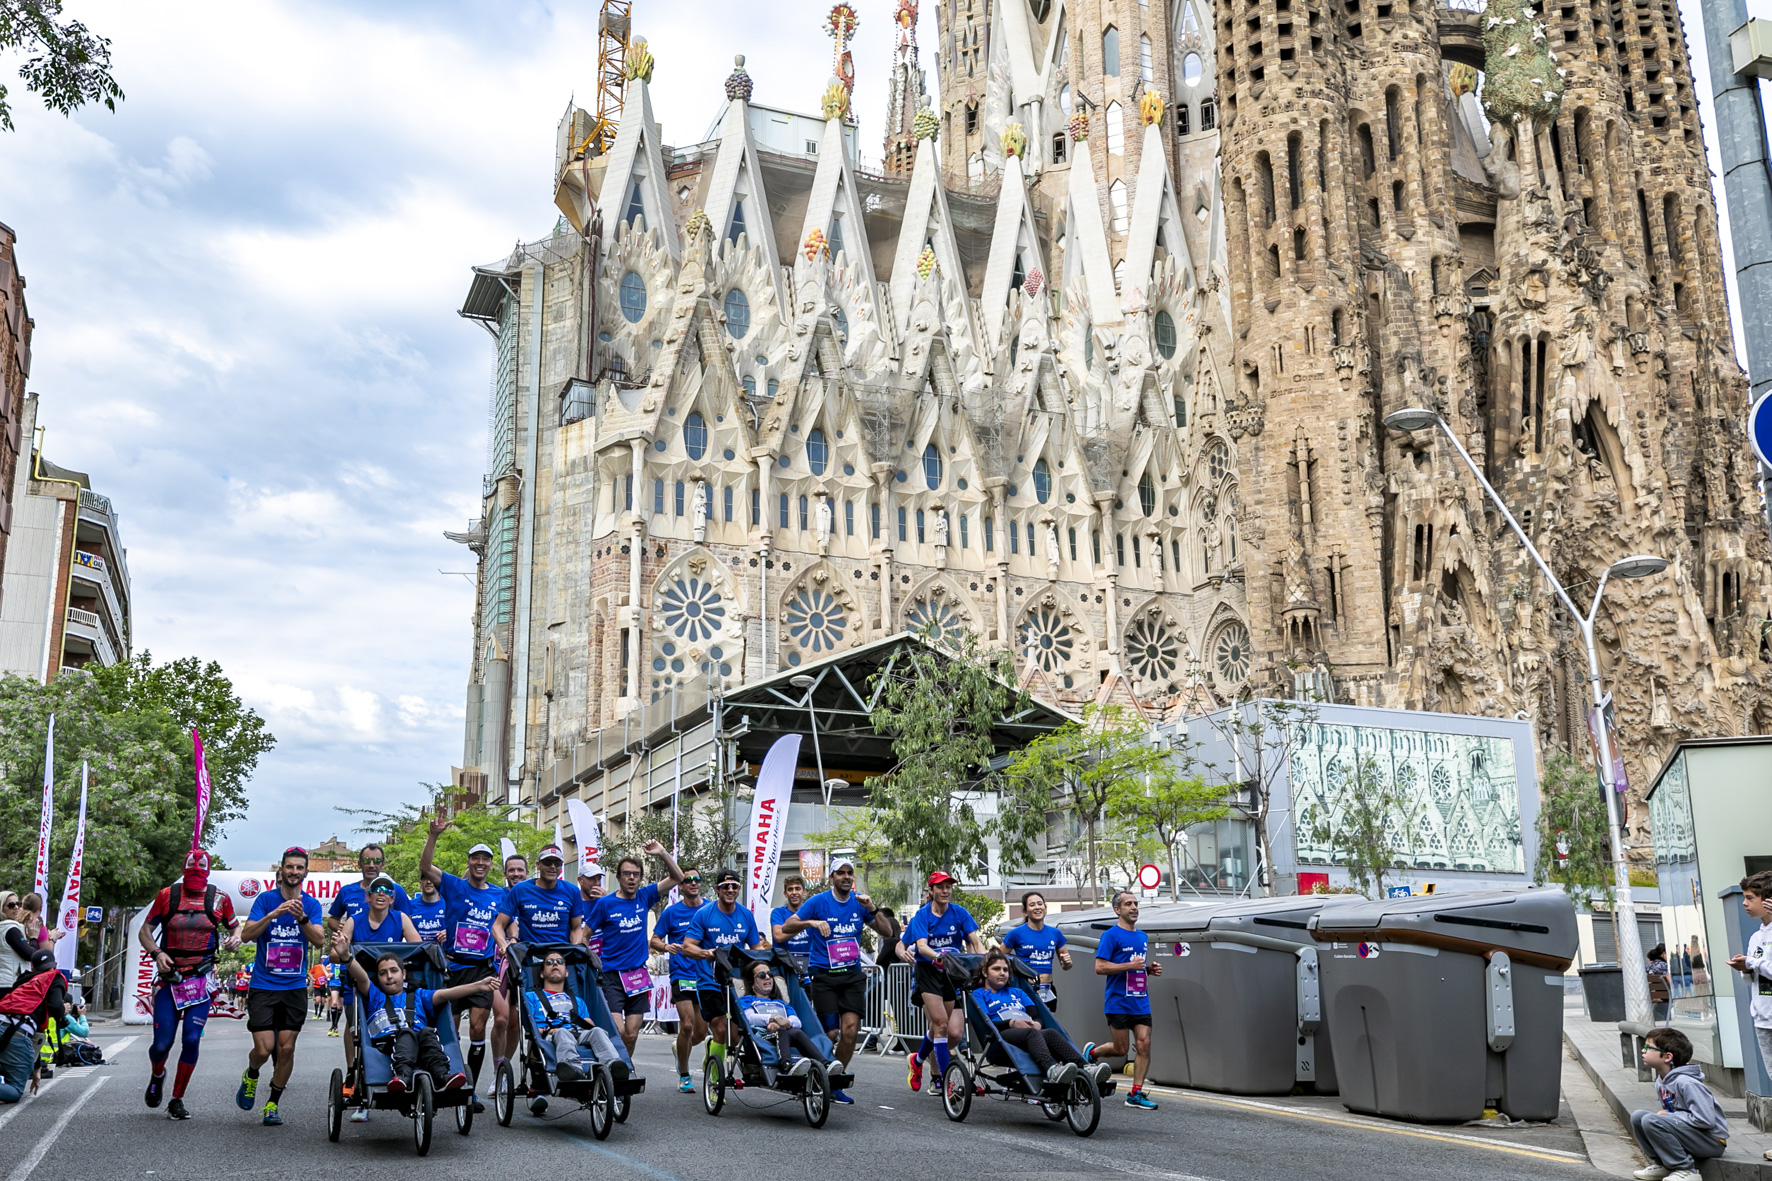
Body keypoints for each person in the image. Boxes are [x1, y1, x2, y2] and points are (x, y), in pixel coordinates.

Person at [138, 849, 241, 1120]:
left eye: (201, 865)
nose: (196, 869)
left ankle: (177, 1098)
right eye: (191, 865)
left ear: (208, 869)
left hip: (200, 980)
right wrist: (157, 954)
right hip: (170, 980)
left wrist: (235, 939)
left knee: (192, 1039)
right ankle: (157, 1074)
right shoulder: (166, 896)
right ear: (184, 868)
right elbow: (144, 930)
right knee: (162, 1044)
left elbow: (235, 928)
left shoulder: (220, 899)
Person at [783, 857, 893, 1103]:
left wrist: (873, 908)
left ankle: (833, 1082)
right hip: (823, 975)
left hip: (852, 974)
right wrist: (811, 922)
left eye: (849, 873)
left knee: (850, 1031)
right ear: (831, 877)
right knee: (831, 1032)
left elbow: (887, 932)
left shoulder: (860, 903)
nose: (846, 877)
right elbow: (788, 926)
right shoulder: (818, 902)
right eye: (840, 873)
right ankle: (817, 1070)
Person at [418, 816, 509, 1113]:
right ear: (468, 863)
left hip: (483, 968)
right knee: (451, 1029)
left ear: (491, 865)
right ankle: (446, 1077)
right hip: (454, 967)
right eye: (475, 859)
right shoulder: (455, 886)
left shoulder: (500, 894)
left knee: (480, 1027)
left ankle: (469, 1091)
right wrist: (433, 836)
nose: (480, 863)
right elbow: (425, 868)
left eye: (485, 859)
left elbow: (509, 924)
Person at [236, 846, 325, 1126]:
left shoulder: (310, 905)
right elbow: (248, 935)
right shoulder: (265, 900)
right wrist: (273, 914)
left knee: (286, 1049)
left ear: (306, 873)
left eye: (299, 867)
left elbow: (320, 940)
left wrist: (302, 918)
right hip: (264, 985)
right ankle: (251, 1074)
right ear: (281, 870)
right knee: (264, 1050)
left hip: (294, 986)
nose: (294, 872)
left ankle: (272, 1104)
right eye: (289, 867)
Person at [581, 840, 684, 1054]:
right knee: (617, 1031)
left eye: (635, 874)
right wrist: (590, 960)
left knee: (632, 1034)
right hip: (611, 976)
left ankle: (624, 1070)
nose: (631, 878)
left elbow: (678, 878)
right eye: (626, 874)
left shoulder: (645, 896)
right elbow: (585, 935)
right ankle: (612, 1066)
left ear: (640, 878)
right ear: (618, 877)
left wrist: (662, 852)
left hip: (638, 975)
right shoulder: (605, 903)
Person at [343, 949, 489, 1098]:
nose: (389, 976)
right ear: (378, 978)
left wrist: (478, 986)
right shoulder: (375, 995)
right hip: (388, 1042)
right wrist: (346, 957)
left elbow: (446, 993)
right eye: (383, 973)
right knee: (406, 1032)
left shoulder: (419, 994)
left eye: (394, 971)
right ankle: (402, 1076)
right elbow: (362, 978)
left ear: (404, 974)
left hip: (420, 1040)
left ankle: (443, 1075)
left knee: (427, 1032)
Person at [325, 844, 410, 1083]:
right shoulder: (349, 896)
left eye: (376, 861)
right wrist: (344, 937)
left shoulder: (398, 902)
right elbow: (333, 922)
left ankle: (390, 1066)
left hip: (388, 978)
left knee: (391, 1022)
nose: (371, 865)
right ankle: (353, 1071)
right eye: (367, 861)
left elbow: (415, 943)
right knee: (355, 1025)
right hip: (357, 976)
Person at [900, 870, 982, 1096]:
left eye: (948, 887)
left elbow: (975, 941)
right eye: (940, 887)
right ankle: (946, 1082)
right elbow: (921, 946)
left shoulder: (959, 913)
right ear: (931, 890)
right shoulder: (922, 916)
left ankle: (917, 1060)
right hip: (928, 971)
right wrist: (938, 956)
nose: (945, 891)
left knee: (953, 1034)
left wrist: (983, 962)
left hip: (951, 973)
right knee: (941, 1025)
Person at [1083, 889, 1162, 1110]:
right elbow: (1100, 967)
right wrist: (1131, 966)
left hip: (1140, 1000)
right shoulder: (1110, 936)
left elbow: (1136, 966)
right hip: (1118, 1001)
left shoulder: (1142, 936)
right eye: (1128, 904)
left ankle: (1135, 1094)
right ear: (1118, 910)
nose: (1134, 907)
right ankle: (1091, 1053)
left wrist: (1148, 969)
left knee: (1144, 1044)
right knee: (1120, 1049)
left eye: (1136, 903)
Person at [520, 950, 624, 1114]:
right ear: (541, 974)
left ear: (566, 972)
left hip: (579, 1033)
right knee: (562, 1033)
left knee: (598, 1031)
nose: (555, 964)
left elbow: (589, 1024)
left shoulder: (577, 1000)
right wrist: (546, 1029)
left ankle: (614, 1066)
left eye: (560, 962)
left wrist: (586, 1023)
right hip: (552, 1035)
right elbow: (532, 1026)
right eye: (549, 962)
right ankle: (571, 1068)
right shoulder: (532, 996)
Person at [683, 870, 768, 1066]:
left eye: (734, 886)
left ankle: (712, 1052)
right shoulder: (704, 914)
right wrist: (708, 953)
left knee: (735, 1036)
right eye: (725, 886)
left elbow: (757, 948)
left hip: (736, 982)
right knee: (720, 1028)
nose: (730, 889)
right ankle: (714, 1084)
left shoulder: (746, 915)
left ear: (738, 889)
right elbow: (687, 948)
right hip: (709, 981)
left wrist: (767, 961)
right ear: (717, 889)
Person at [972, 948, 1086, 1086]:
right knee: (1031, 1033)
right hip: (999, 1037)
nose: (1002, 973)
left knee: (1050, 1032)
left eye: (1005, 970)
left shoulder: (1018, 992)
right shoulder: (979, 994)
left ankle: (1085, 1068)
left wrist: (1037, 1023)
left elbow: (1036, 1015)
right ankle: (1051, 1069)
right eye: (996, 969)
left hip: (1028, 1033)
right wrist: (1012, 1023)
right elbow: (986, 1022)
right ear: (985, 972)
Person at [1629, 1027, 1728, 1181]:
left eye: (1648, 1047)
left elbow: (1706, 1120)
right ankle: (1664, 1165)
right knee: (1638, 1117)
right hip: (1692, 1136)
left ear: (1667, 1057)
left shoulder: (1686, 1082)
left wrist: (1670, 1116)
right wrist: (1669, 1117)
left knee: (1651, 1120)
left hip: (1711, 1141)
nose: (1643, 1051)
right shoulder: (1662, 1081)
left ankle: (1686, 1170)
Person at [650, 867, 709, 1092]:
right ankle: (684, 1075)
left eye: (697, 879)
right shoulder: (671, 912)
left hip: (705, 975)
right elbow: (654, 940)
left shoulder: (710, 908)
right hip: (682, 974)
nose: (693, 883)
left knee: (701, 1033)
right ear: (681, 886)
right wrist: (666, 946)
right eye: (688, 880)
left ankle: (679, 1047)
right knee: (686, 1025)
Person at [1729, 869, 1772, 1164]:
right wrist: (1745, 968)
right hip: (1763, 1018)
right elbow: (1756, 979)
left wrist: (1754, 962)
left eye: (1750, 898)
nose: (1744, 904)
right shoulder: (1757, 936)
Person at [737, 959, 830, 1070]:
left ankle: (825, 1064)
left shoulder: (780, 1003)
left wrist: (782, 1024)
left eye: (770, 974)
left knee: (796, 1032)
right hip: (761, 1036)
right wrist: (773, 1019)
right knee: (782, 1032)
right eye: (762, 975)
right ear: (752, 982)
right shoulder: (747, 1000)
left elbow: (797, 1022)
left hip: (784, 1032)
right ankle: (786, 1064)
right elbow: (750, 1018)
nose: (767, 977)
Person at [0, 950, 67, 1104]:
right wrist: (64, 1010)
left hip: (5, 1024)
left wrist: (35, 1068)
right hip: (18, 1034)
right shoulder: (54, 977)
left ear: (33, 968)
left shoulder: (23, 980)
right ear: (53, 967)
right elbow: (56, 1006)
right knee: (15, 1090)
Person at [1001, 891, 1072, 1009]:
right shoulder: (1016, 933)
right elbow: (997, 958)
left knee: (1049, 1025)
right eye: (1032, 904)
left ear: (1045, 907)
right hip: (1026, 988)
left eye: (1040, 904)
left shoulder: (1055, 933)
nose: (1037, 907)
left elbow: (1066, 966)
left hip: (1048, 989)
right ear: (1025, 910)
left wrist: (1067, 962)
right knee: (1030, 1025)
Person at [335, 874, 420, 951]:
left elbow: (420, 948)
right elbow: (334, 954)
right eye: (376, 889)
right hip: (361, 967)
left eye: (387, 891)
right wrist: (344, 951)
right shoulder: (353, 921)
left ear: (392, 899)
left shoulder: (401, 918)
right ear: (368, 896)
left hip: (390, 966)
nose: (381, 893)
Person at [771, 875, 814, 985]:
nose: (794, 892)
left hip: (808, 969)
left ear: (804, 892)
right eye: (790, 889)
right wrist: (807, 924)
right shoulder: (778, 913)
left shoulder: (813, 913)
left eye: (797, 888)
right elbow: (779, 937)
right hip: (784, 969)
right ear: (785, 893)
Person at [0, 892, 33, 991]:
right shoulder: (10, 929)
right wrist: (34, 938)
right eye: (11, 905)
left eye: (18, 904)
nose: (16, 907)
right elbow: (31, 955)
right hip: (9, 985)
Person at [408, 876, 449, 946]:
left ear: (439, 882)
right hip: (417, 954)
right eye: (425, 878)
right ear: (420, 883)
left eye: (432, 878)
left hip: (444, 954)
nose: (429, 882)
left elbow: (460, 931)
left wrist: (450, 934)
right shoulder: (409, 906)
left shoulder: (449, 905)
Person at [1648, 943, 1672, 1022]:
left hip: (1657, 993)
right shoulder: (1665, 965)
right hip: (1667, 993)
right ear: (1663, 953)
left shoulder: (1650, 965)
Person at [326, 957, 345, 1036]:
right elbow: (323, 965)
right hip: (334, 983)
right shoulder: (332, 956)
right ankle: (333, 1025)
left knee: (340, 1006)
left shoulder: (346, 955)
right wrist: (327, 974)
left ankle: (335, 1025)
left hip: (343, 983)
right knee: (334, 1003)